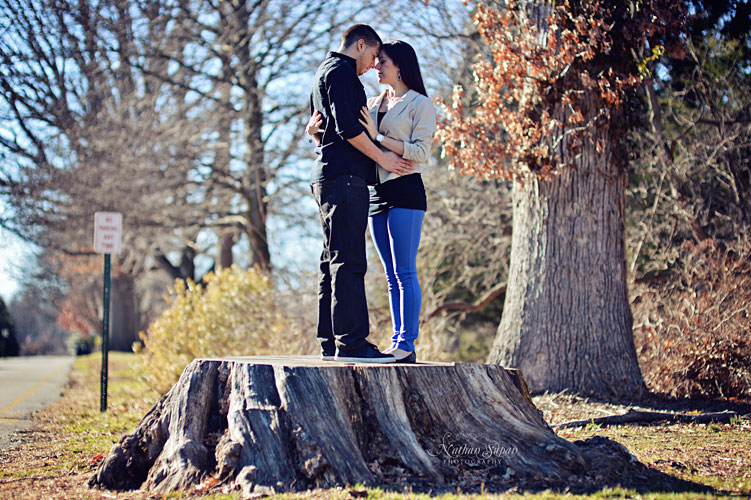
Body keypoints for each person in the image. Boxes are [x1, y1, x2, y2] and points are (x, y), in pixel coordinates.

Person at [308, 40, 436, 363]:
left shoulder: (420, 104)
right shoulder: (374, 102)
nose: (376, 67)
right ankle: (396, 340)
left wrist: (380, 140)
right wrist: (312, 133)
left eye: (383, 62)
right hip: (377, 195)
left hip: (406, 191)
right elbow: (346, 134)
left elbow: (420, 152)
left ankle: (406, 343)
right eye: (376, 61)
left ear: (401, 66)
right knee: (389, 274)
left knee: (405, 271)